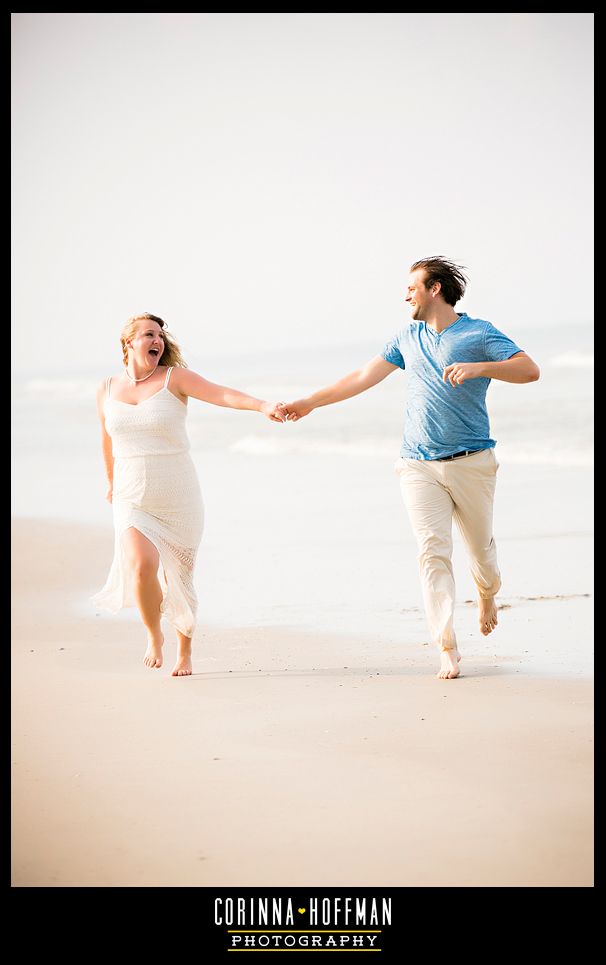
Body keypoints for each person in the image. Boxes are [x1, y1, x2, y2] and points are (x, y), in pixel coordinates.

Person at [283, 256, 540, 679]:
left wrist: (480, 367)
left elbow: (529, 370)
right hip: (417, 463)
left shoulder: (478, 332)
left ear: (434, 289)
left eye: (412, 286)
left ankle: (487, 593)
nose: (405, 294)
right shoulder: (407, 336)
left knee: (481, 553)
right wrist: (308, 402)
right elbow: (362, 377)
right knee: (432, 551)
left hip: (472, 462)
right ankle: (446, 645)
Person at [92, 313, 287, 676]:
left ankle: (185, 651)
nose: (158, 341)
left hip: (177, 493)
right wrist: (110, 482)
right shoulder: (106, 388)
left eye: (161, 335)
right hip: (131, 494)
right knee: (141, 567)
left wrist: (262, 406)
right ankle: (154, 635)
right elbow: (107, 440)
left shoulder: (174, 379)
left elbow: (222, 394)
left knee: (179, 578)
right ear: (129, 343)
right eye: (149, 334)